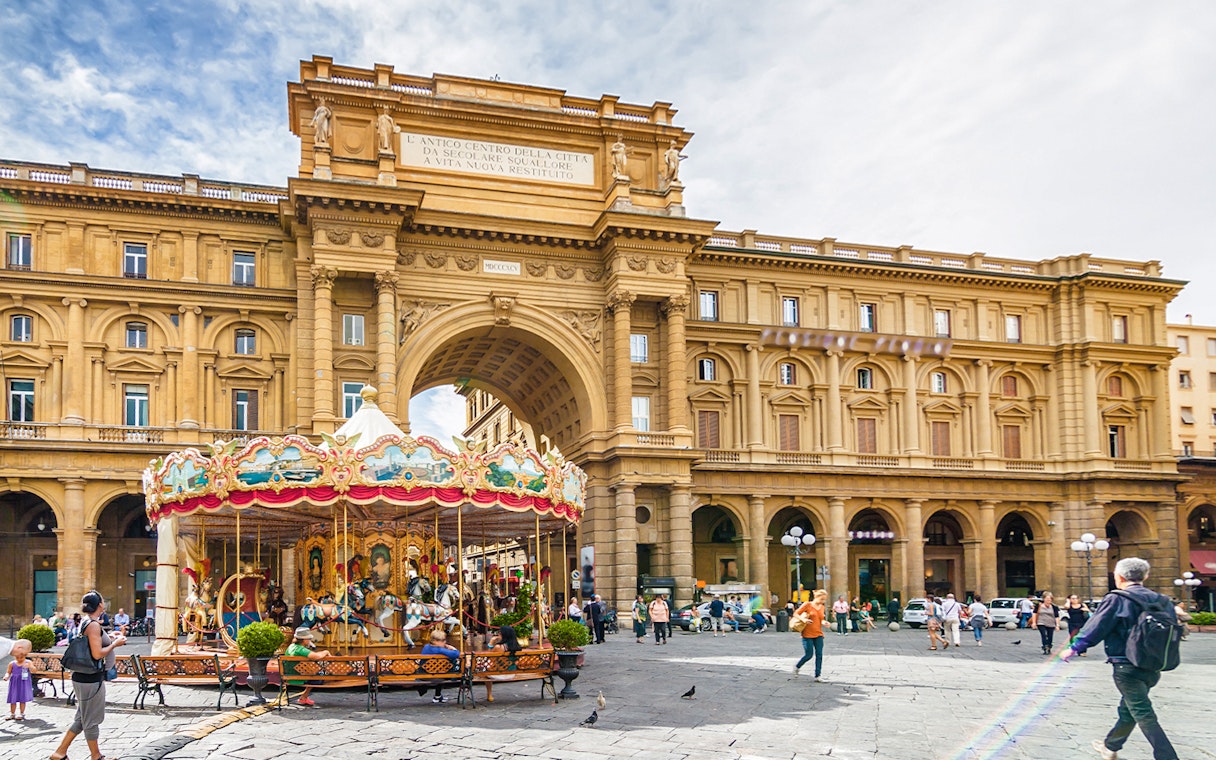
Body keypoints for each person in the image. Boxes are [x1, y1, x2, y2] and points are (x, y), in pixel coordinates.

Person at [1061, 557, 1179, 760]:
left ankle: (1167, 756)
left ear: (1119, 577)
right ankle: (1110, 746)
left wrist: (1075, 648)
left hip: (1126, 666)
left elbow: (1098, 626)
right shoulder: (1163, 601)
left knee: (1141, 711)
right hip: (1154, 665)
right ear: (1146, 576)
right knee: (1129, 708)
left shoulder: (1117, 598)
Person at [49, 591, 127, 760]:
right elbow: (98, 654)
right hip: (90, 680)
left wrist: (109, 638)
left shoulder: (89, 622)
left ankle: (59, 752)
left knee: (82, 718)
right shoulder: (93, 625)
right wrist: (115, 643)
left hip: (84, 677)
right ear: (100, 604)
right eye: (103, 601)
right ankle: (96, 756)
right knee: (91, 720)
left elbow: (94, 643)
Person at [284, 626, 332, 706]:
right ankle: (304, 697)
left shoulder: (291, 647)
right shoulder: (301, 650)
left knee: (315, 675)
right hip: (300, 678)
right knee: (325, 675)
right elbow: (317, 656)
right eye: (309, 639)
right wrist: (326, 651)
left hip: (289, 676)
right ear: (304, 640)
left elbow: (314, 655)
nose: (310, 640)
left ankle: (304, 697)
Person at [481, 625, 524, 702]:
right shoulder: (517, 647)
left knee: (486, 667)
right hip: (511, 673)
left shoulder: (499, 647)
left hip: (499, 673)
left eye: (499, 633)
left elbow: (489, 656)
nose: (498, 635)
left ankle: (489, 693)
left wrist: (491, 643)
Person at [793, 589, 828, 682]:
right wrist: (803, 619)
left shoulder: (822, 607)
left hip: (818, 634)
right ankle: (797, 666)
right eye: (822, 599)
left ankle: (818, 675)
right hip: (807, 634)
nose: (823, 601)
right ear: (816, 597)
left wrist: (825, 623)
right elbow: (795, 613)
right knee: (809, 655)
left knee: (819, 654)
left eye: (824, 600)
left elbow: (821, 619)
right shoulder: (807, 605)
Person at [420, 629, 460, 704]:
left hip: (424, 674)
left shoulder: (426, 647)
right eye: (443, 640)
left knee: (440, 670)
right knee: (448, 669)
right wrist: (453, 648)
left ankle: (437, 696)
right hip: (436, 676)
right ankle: (437, 695)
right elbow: (456, 654)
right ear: (435, 641)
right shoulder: (441, 651)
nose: (445, 642)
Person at [4, 638, 33, 720]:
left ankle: (22, 713)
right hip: (14, 682)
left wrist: (30, 666)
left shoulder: (28, 662)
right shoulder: (12, 664)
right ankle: (12, 713)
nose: (19, 659)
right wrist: (6, 676)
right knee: (13, 698)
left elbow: (34, 670)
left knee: (22, 698)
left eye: (21, 658)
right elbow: (8, 672)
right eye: (17, 658)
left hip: (23, 683)